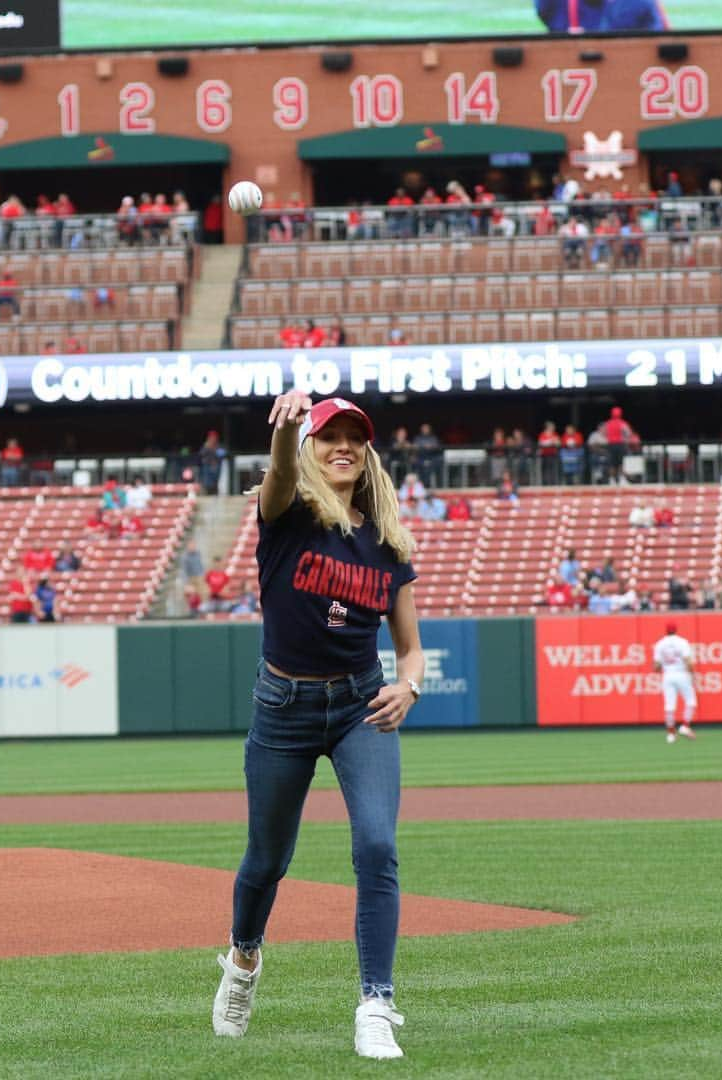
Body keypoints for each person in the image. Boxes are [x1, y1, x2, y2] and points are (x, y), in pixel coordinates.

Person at [213, 393, 422, 1061]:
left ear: (367, 454)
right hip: (284, 708)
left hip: (362, 707)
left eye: (353, 438)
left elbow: (411, 646)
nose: (342, 446)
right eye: (329, 435)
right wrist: (286, 430)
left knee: (377, 846)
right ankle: (243, 962)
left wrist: (408, 685)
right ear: (311, 446)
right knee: (267, 860)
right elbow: (277, 475)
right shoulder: (290, 516)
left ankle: (376, 1003)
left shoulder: (386, 543)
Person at [653, 622, 697, 744]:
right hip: (681, 673)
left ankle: (671, 734)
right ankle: (685, 726)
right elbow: (688, 660)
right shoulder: (682, 642)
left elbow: (656, 667)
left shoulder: (659, 644)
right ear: (676, 630)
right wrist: (693, 675)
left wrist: (664, 663)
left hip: (668, 675)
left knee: (669, 705)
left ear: (666, 631)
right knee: (691, 701)